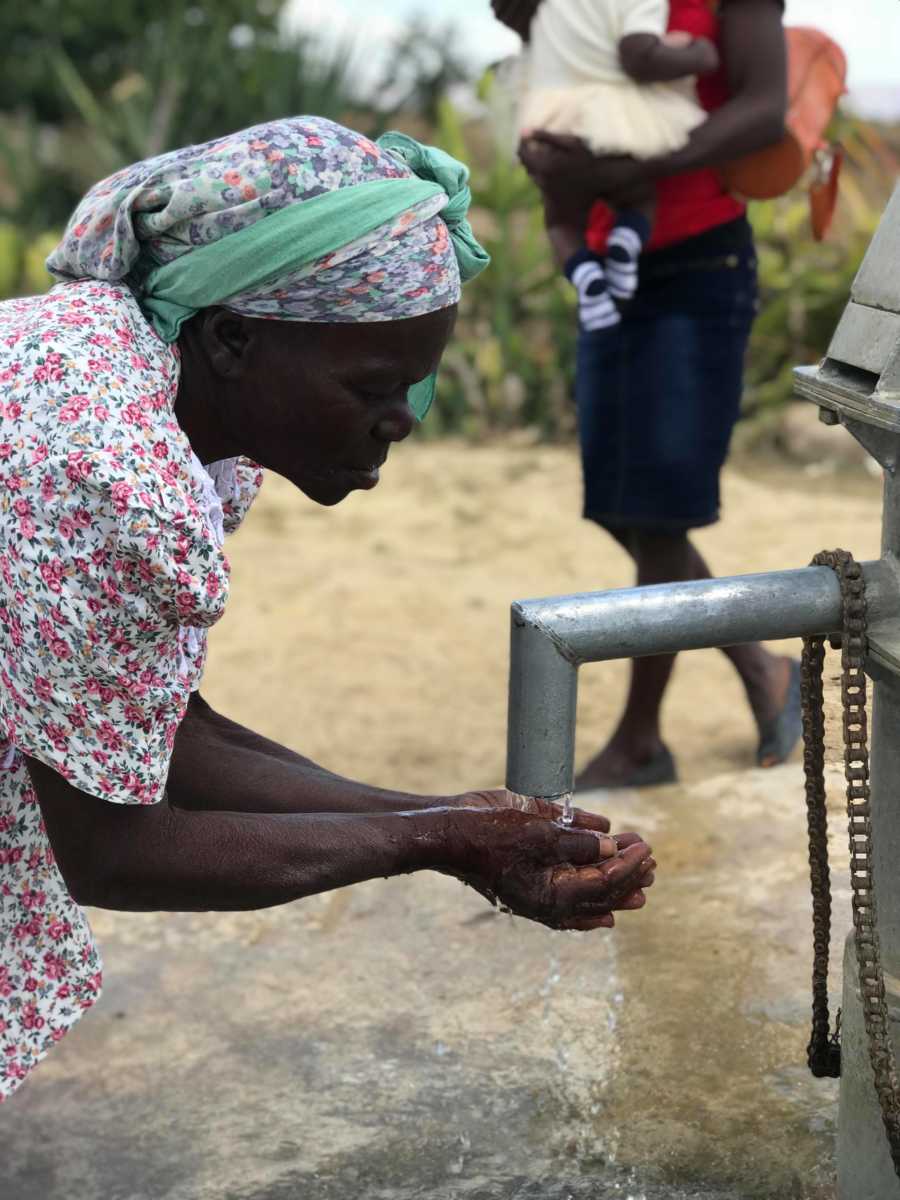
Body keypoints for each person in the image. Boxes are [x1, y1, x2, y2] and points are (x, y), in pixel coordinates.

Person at [0, 117, 655, 1101]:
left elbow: (155, 734)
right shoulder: (105, 465)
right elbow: (108, 846)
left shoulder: (134, 380)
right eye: (374, 385)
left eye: (417, 384)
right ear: (233, 338)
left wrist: (455, 815)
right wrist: (435, 842)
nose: (403, 418)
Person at [493, 0, 799, 788]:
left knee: (659, 512)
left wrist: (641, 168)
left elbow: (765, 110)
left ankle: (641, 741)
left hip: (699, 265)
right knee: (622, 506)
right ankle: (763, 666)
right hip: (607, 261)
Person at [518, 0, 721, 330]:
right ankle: (626, 241)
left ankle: (587, 281)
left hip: (555, 115)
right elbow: (640, 55)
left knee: (561, 221)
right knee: (638, 197)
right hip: (612, 119)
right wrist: (699, 54)